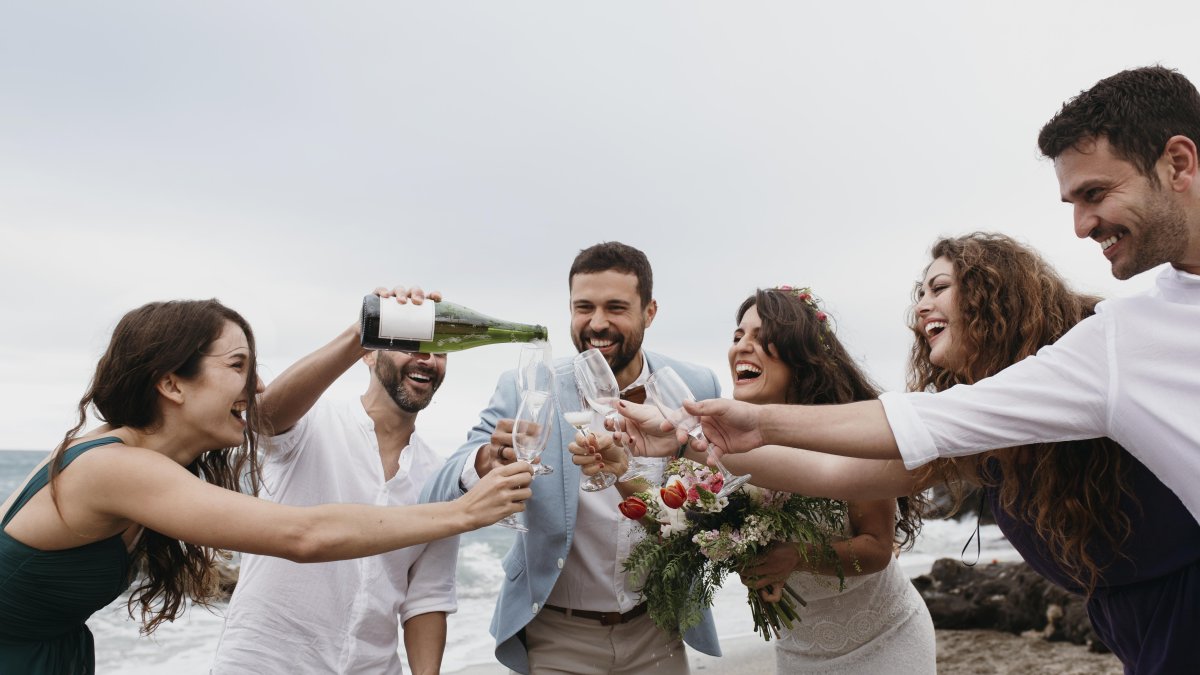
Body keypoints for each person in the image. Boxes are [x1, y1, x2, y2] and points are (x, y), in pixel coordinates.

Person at [641, 65, 1200, 526]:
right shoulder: (1112, 346)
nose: (1080, 226)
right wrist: (705, 435)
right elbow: (883, 445)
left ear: (1178, 163)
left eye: (1095, 193)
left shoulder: (1109, 336)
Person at [621, 233, 1200, 672]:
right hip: (1126, 616)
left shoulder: (1087, 362)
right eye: (919, 293)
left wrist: (747, 427)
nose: (921, 306)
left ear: (999, 295)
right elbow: (836, 472)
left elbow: (874, 488)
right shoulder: (980, 423)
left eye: (940, 287)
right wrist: (689, 444)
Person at [0, 297, 532, 675]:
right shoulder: (114, 467)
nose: (256, 386)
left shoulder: (141, 462)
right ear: (169, 383)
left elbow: (425, 595)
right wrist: (467, 511)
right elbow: (304, 534)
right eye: (238, 367)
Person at [574, 287, 935, 673]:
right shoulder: (722, 442)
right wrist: (620, 471)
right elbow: (671, 520)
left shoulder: (842, 431)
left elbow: (878, 549)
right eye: (738, 336)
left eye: (763, 338)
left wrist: (795, 556)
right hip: (800, 651)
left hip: (884, 640)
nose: (743, 346)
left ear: (801, 355)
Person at [421, 241, 721, 675]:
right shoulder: (525, 385)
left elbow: (712, 500)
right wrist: (486, 460)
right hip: (558, 634)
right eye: (584, 307)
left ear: (649, 312)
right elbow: (441, 488)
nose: (597, 323)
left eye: (615, 307)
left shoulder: (695, 383)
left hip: (658, 628)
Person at [213, 287, 463, 674]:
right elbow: (263, 420)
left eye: (440, 349)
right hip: (265, 663)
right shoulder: (313, 423)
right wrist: (364, 327)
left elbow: (427, 598)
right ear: (368, 352)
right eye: (409, 343)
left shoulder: (439, 475)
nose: (427, 358)